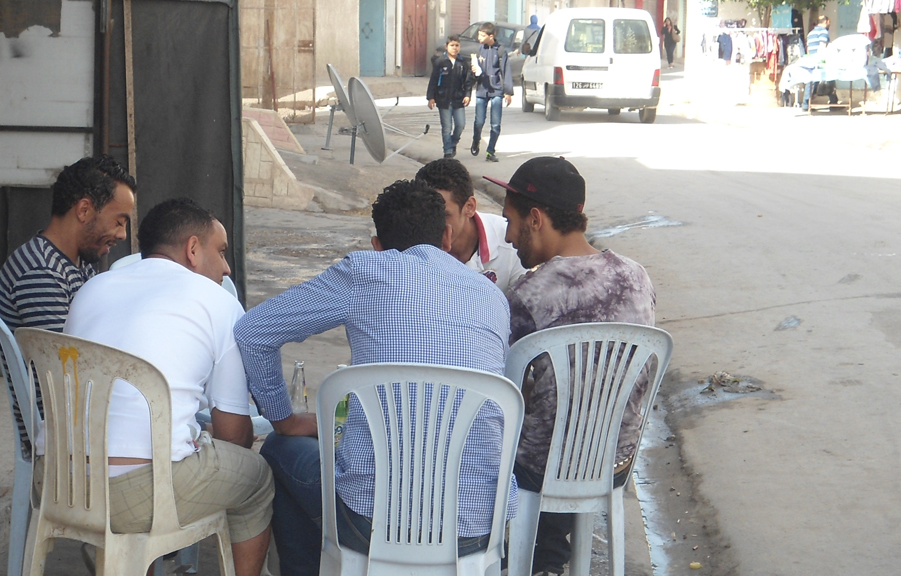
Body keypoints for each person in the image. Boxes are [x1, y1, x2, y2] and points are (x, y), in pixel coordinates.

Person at [233, 179, 517, 576]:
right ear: (448, 237)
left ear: (376, 245)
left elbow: (253, 332)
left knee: (279, 450)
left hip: (371, 525)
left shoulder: (364, 272)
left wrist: (286, 420)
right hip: (477, 528)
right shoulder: (492, 296)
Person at [63, 198, 273, 576]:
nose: (226, 268)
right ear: (193, 249)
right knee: (256, 478)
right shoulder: (218, 303)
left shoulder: (92, 289)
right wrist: (208, 438)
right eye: (221, 252)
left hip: (62, 483)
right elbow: (233, 434)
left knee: (170, 450)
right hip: (137, 494)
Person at [484, 157, 655, 576]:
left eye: (510, 220)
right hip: (613, 457)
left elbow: (500, 384)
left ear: (536, 218)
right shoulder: (637, 277)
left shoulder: (528, 294)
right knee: (566, 419)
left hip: (542, 468)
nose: (507, 236)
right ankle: (548, 557)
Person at [0, 155, 135, 461]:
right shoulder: (42, 273)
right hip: (66, 438)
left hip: (82, 421)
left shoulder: (75, 263)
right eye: (119, 220)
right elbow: (65, 378)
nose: (123, 234)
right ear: (84, 209)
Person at [415, 157, 525, 292]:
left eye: (443, 215)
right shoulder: (410, 240)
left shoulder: (510, 244)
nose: (432, 224)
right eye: (424, 214)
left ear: (469, 207)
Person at [469, 22, 513, 163]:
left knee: (495, 124)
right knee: (479, 122)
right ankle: (476, 140)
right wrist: (474, 72)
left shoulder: (500, 51)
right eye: (479, 34)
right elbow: (474, 71)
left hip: (496, 91)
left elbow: (506, 71)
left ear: (491, 36)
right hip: (482, 90)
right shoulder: (478, 50)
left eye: (482, 35)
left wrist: (508, 92)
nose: (479, 37)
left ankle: (490, 151)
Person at [428, 35, 475, 159]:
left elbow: (468, 81)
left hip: (458, 100)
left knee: (460, 124)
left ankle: (453, 143)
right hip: (443, 99)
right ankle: (448, 151)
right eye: (452, 45)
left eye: (457, 45)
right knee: (446, 127)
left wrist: (467, 95)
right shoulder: (440, 62)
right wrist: (431, 97)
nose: (454, 48)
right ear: (446, 47)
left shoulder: (462, 63)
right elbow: (433, 80)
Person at [803, 15, 838, 111]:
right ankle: (833, 103)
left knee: (811, 81)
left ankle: (806, 104)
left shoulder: (810, 33)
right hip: (821, 60)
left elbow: (809, 50)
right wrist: (824, 60)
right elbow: (823, 47)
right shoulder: (823, 32)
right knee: (830, 79)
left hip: (812, 60)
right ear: (825, 22)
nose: (829, 24)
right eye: (829, 22)